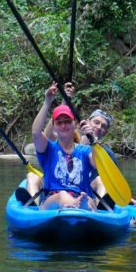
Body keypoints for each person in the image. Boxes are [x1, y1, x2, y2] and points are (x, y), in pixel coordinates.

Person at [30, 82, 102, 210]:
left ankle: (80, 205)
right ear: (54, 126)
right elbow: (36, 133)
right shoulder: (49, 149)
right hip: (53, 200)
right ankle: (76, 205)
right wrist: (47, 102)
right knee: (62, 195)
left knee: (89, 200)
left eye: (67, 121)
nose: (63, 126)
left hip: (82, 196)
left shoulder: (85, 150)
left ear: (74, 123)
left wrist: (93, 141)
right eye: (59, 122)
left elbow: (99, 164)